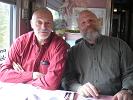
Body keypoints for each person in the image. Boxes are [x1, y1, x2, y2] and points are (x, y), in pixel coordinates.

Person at [62, 10, 133, 100]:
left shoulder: (120, 45)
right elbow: (67, 78)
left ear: (99, 22)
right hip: (85, 98)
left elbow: (130, 72)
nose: (88, 24)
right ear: (79, 28)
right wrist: (79, 88)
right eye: (83, 23)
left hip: (115, 97)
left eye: (91, 20)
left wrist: (126, 90)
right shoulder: (73, 52)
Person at [0, 8, 69, 90]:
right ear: (31, 24)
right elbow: (2, 74)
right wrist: (32, 75)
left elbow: (51, 83)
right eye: (39, 22)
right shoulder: (20, 42)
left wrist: (20, 78)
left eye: (48, 23)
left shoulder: (59, 45)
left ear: (52, 25)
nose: (44, 27)